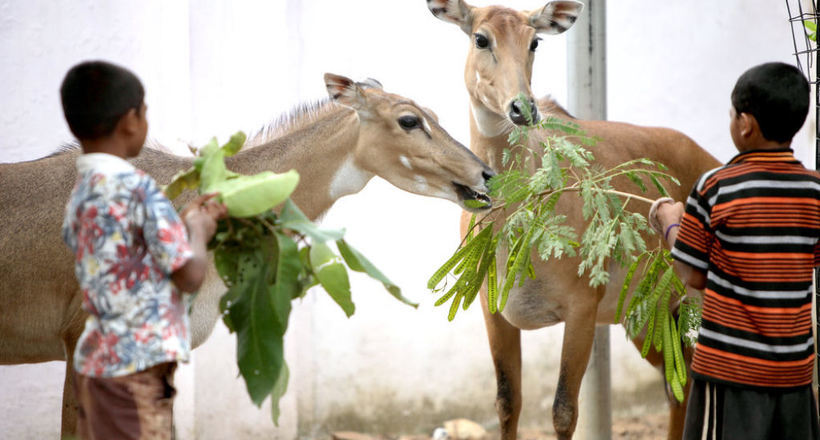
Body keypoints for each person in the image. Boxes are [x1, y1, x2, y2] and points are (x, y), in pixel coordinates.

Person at [649, 61, 820, 439]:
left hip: (729, 375)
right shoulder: (814, 191)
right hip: (794, 373)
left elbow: (691, 273)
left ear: (746, 125)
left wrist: (670, 221)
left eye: (732, 113)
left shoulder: (716, 187)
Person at [60, 60, 227, 439]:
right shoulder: (140, 188)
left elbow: (115, 249)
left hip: (97, 364)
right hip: (139, 368)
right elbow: (188, 274)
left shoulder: (82, 193)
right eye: (146, 111)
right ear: (131, 120)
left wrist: (175, 226)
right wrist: (198, 231)